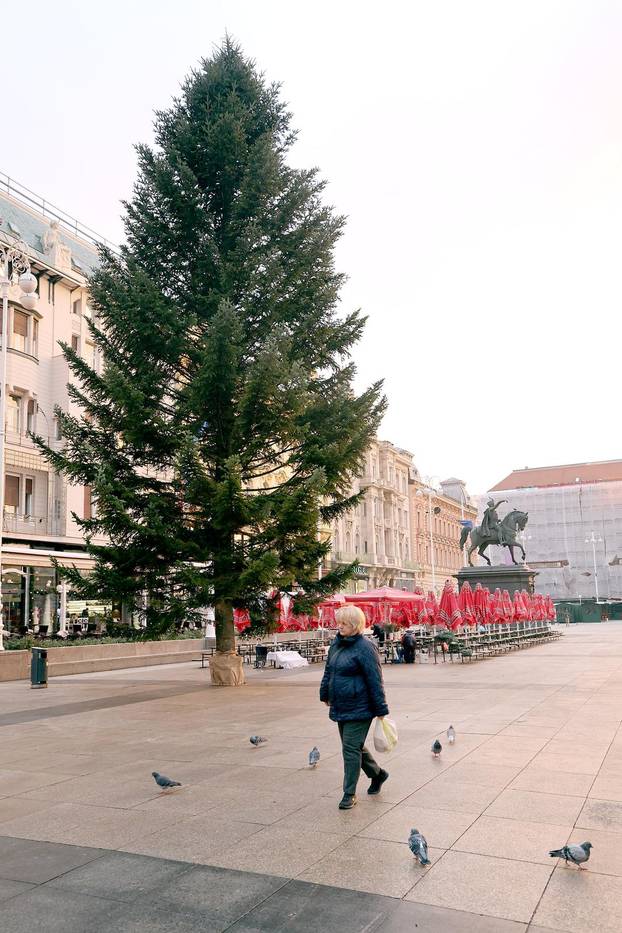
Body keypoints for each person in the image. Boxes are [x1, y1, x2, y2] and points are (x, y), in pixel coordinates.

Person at [319, 605, 390, 810]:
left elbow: (375, 680)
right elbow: (329, 671)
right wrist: (325, 693)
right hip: (341, 704)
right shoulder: (337, 644)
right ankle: (378, 774)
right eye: (338, 622)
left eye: (343, 623)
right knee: (353, 746)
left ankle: (349, 794)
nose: (338, 626)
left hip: (360, 706)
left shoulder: (365, 647)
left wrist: (381, 710)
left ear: (355, 625)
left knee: (350, 749)